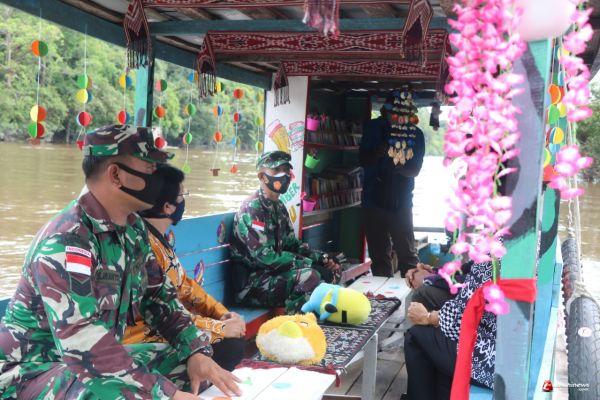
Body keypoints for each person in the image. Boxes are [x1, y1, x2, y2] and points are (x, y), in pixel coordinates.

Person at [0, 125, 241, 400]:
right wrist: (169, 395)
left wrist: (195, 352)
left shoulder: (133, 230)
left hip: (88, 364)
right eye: (149, 169)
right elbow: (81, 339)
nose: (157, 179)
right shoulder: (68, 239)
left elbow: (159, 299)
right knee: (107, 392)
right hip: (31, 373)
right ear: (115, 175)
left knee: (192, 362)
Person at [123, 163, 246, 372]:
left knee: (232, 339)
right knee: (229, 345)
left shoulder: (157, 239)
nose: (183, 201)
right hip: (145, 334)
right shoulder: (143, 244)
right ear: (167, 207)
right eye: (182, 196)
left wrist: (221, 314)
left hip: (170, 322)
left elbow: (185, 286)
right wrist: (218, 327)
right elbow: (161, 311)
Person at [230, 151, 341, 313]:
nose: (284, 175)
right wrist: (309, 264)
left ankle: (317, 316)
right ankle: (295, 323)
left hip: (275, 274)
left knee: (334, 269)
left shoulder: (279, 207)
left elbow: (293, 245)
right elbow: (265, 258)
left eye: (286, 170)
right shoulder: (252, 209)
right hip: (253, 283)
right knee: (310, 276)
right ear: (262, 177)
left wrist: (322, 259)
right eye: (277, 170)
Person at [403, 260, 496, 400]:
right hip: (505, 351)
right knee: (436, 342)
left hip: (489, 364)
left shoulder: (496, 256)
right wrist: (435, 273)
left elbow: (462, 320)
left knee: (416, 335)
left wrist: (428, 317)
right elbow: (470, 270)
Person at [360, 87, 425, 278]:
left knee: (408, 257)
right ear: (385, 111)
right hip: (372, 201)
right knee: (379, 257)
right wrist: (377, 153)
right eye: (393, 112)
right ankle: (382, 294)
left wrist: (397, 164)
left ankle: (414, 294)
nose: (396, 117)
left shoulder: (415, 134)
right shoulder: (373, 128)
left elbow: (415, 170)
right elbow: (362, 160)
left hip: (401, 203)